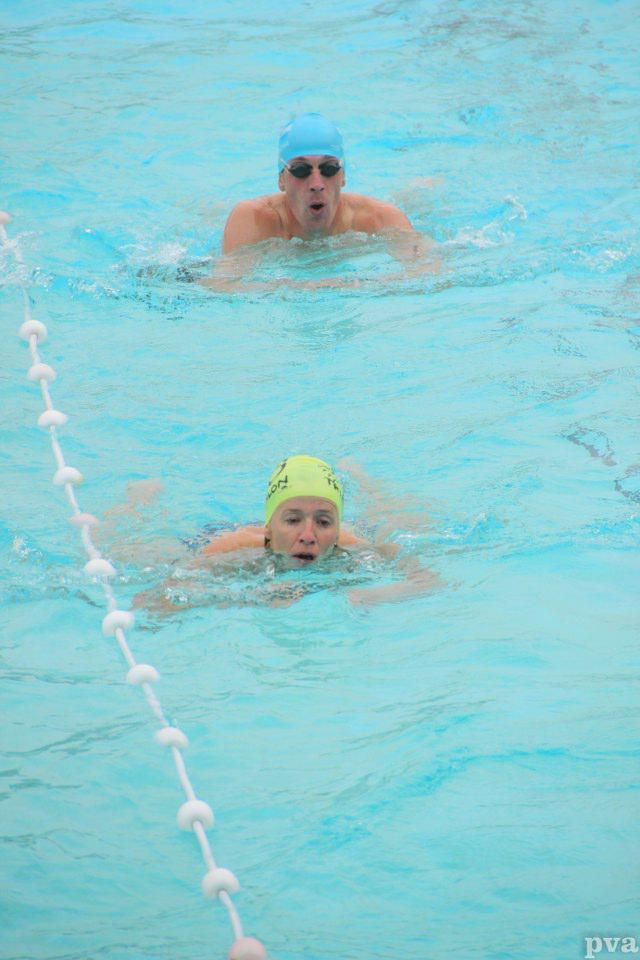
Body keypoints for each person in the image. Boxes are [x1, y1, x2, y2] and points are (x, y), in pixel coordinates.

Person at [109, 456, 440, 611]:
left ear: (337, 529)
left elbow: (430, 581)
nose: (309, 535)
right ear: (270, 526)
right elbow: (150, 605)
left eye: (324, 522)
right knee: (126, 553)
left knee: (405, 522)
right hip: (219, 539)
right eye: (293, 520)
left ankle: (362, 475)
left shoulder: (352, 550)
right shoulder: (234, 552)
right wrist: (248, 598)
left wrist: (370, 597)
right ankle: (138, 499)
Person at [202, 114, 439, 290]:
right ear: (281, 180)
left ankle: (419, 189)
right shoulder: (254, 218)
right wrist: (314, 287)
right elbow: (221, 285)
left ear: (343, 176)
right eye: (301, 170)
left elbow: (432, 274)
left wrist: (353, 285)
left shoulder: (379, 217)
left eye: (328, 168)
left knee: (416, 201)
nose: (316, 182)